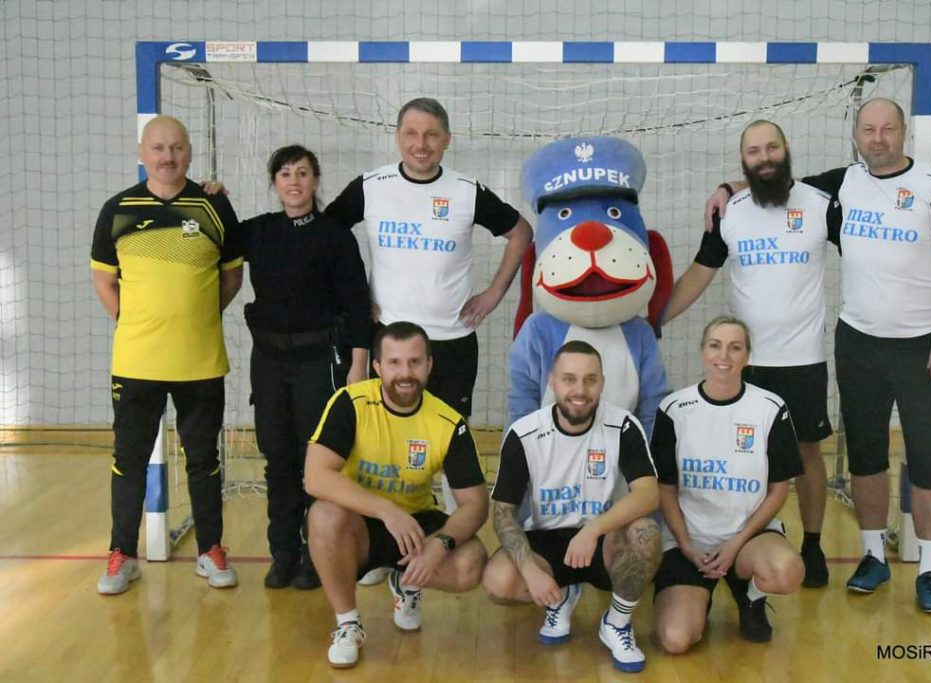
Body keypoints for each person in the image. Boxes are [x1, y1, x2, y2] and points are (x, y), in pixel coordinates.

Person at [705, 99, 931, 613]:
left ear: (903, 132)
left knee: (927, 464)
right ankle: (872, 556)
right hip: (858, 344)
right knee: (867, 458)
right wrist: (726, 187)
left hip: (923, 345)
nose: (878, 138)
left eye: (888, 128)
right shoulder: (843, 184)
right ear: (856, 135)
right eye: (869, 129)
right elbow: (775, 180)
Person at [662, 120, 840, 587]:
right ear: (743, 160)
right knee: (746, 454)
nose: (764, 157)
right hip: (745, 363)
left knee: (806, 453)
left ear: (786, 149)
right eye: (754, 151)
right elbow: (699, 273)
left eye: (772, 147)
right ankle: (748, 541)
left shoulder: (821, 203)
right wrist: (653, 321)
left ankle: (813, 544)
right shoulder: (730, 213)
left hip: (802, 358)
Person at [91, 115, 243, 594]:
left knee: (203, 459)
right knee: (129, 460)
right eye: (158, 148)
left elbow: (232, 277)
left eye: (176, 147)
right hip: (136, 364)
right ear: (142, 153)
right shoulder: (117, 209)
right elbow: (104, 280)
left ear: (190, 153)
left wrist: (195, 319)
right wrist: (137, 324)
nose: (167, 156)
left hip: (200, 362)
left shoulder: (215, 206)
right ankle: (122, 555)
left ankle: (210, 550)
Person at [323, 97, 533, 419]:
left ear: (447, 139)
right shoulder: (371, 186)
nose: (420, 145)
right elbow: (326, 238)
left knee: (448, 437)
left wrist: (494, 294)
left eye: (431, 134)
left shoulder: (466, 191)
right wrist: (354, 296)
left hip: (451, 340)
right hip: (389, 339)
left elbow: (521, 233)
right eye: (411, 133)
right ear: (398, 136)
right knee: (386, 436)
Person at [304, 321, 489, 669]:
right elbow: (315, 478)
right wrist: (387, 511)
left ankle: (406, 583)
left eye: (415, 362)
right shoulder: (350, 403)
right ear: (377, 366)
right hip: (359, 524)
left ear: (429, 364)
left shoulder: (448, 422)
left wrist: (440, 544)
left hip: (416, 529)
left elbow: (476, 504)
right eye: (394, 362)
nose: (405, 373)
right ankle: (348, 624)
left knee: (471, 562)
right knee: (324, 515)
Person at [483, 341, 661, 673]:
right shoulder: (525, 433)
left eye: (590, 380)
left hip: (604, 539)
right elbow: (503, 512)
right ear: (552, 381)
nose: (580, 390)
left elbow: (649, 495)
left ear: (602, 383)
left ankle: (616, 623)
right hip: (548, 541)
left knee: (645, 532)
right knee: (499, 581)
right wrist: (530, 571)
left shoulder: (622, 426)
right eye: (569, 379)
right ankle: (561, 596)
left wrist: (593, 530)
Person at [240, 144, 373, 590]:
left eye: (302, 173)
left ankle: (317, 555)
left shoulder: (335, 236)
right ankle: (283, 553)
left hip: (320, 362)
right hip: (270, 363)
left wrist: (358, 365)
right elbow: (211, 238)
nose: (294, 181)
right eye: (285, 174)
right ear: (274, 184)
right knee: (277, 457)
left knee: (314, 460)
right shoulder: (258, 232)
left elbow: (358, 304)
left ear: (315, 181)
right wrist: (211, 195)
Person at [651, 316, 804, 650]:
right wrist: (686, 545)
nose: (724, 356)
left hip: (747, 541)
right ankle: (696, 600)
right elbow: (665, 489)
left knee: (788, 572)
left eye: (735, 348)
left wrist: (736, 544)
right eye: (715, 346)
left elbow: (779, 490)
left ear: (747, 356)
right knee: (675, 640)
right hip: (690, 543)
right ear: (702, 351)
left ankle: (751, 597)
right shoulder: (674, 409)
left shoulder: (769, 408)